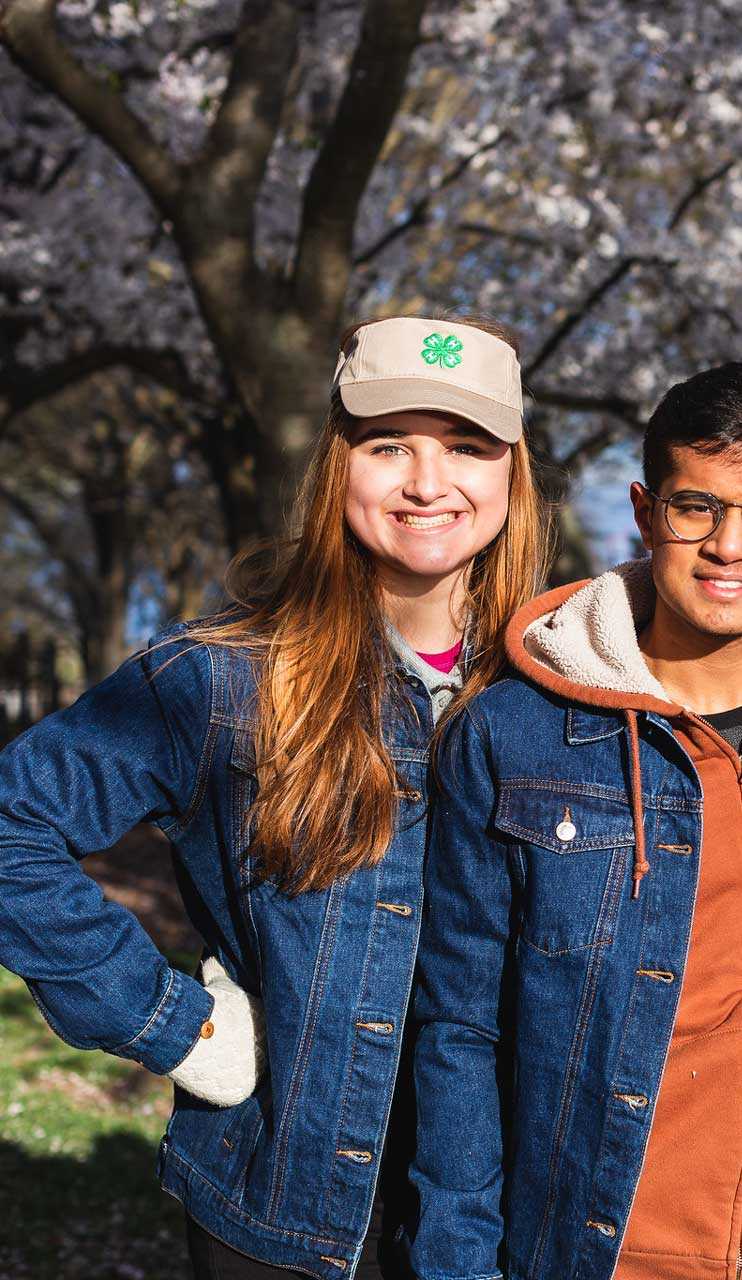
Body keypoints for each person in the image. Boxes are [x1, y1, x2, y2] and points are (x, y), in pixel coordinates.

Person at [0, 314, 549, 1277]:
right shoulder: (221, 679)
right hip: (284, 1215)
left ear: (512, 473)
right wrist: (172, 1023)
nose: (429, 482)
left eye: (467, 447)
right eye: (389, 447)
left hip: (518, 1212)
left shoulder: (566, 692)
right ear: (338, 464)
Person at [406, 361, 742, 1280]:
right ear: (646, 511)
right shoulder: (516, 733)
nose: (729, 545)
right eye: (696, 507)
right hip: (605, 1249)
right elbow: (458, 1027)